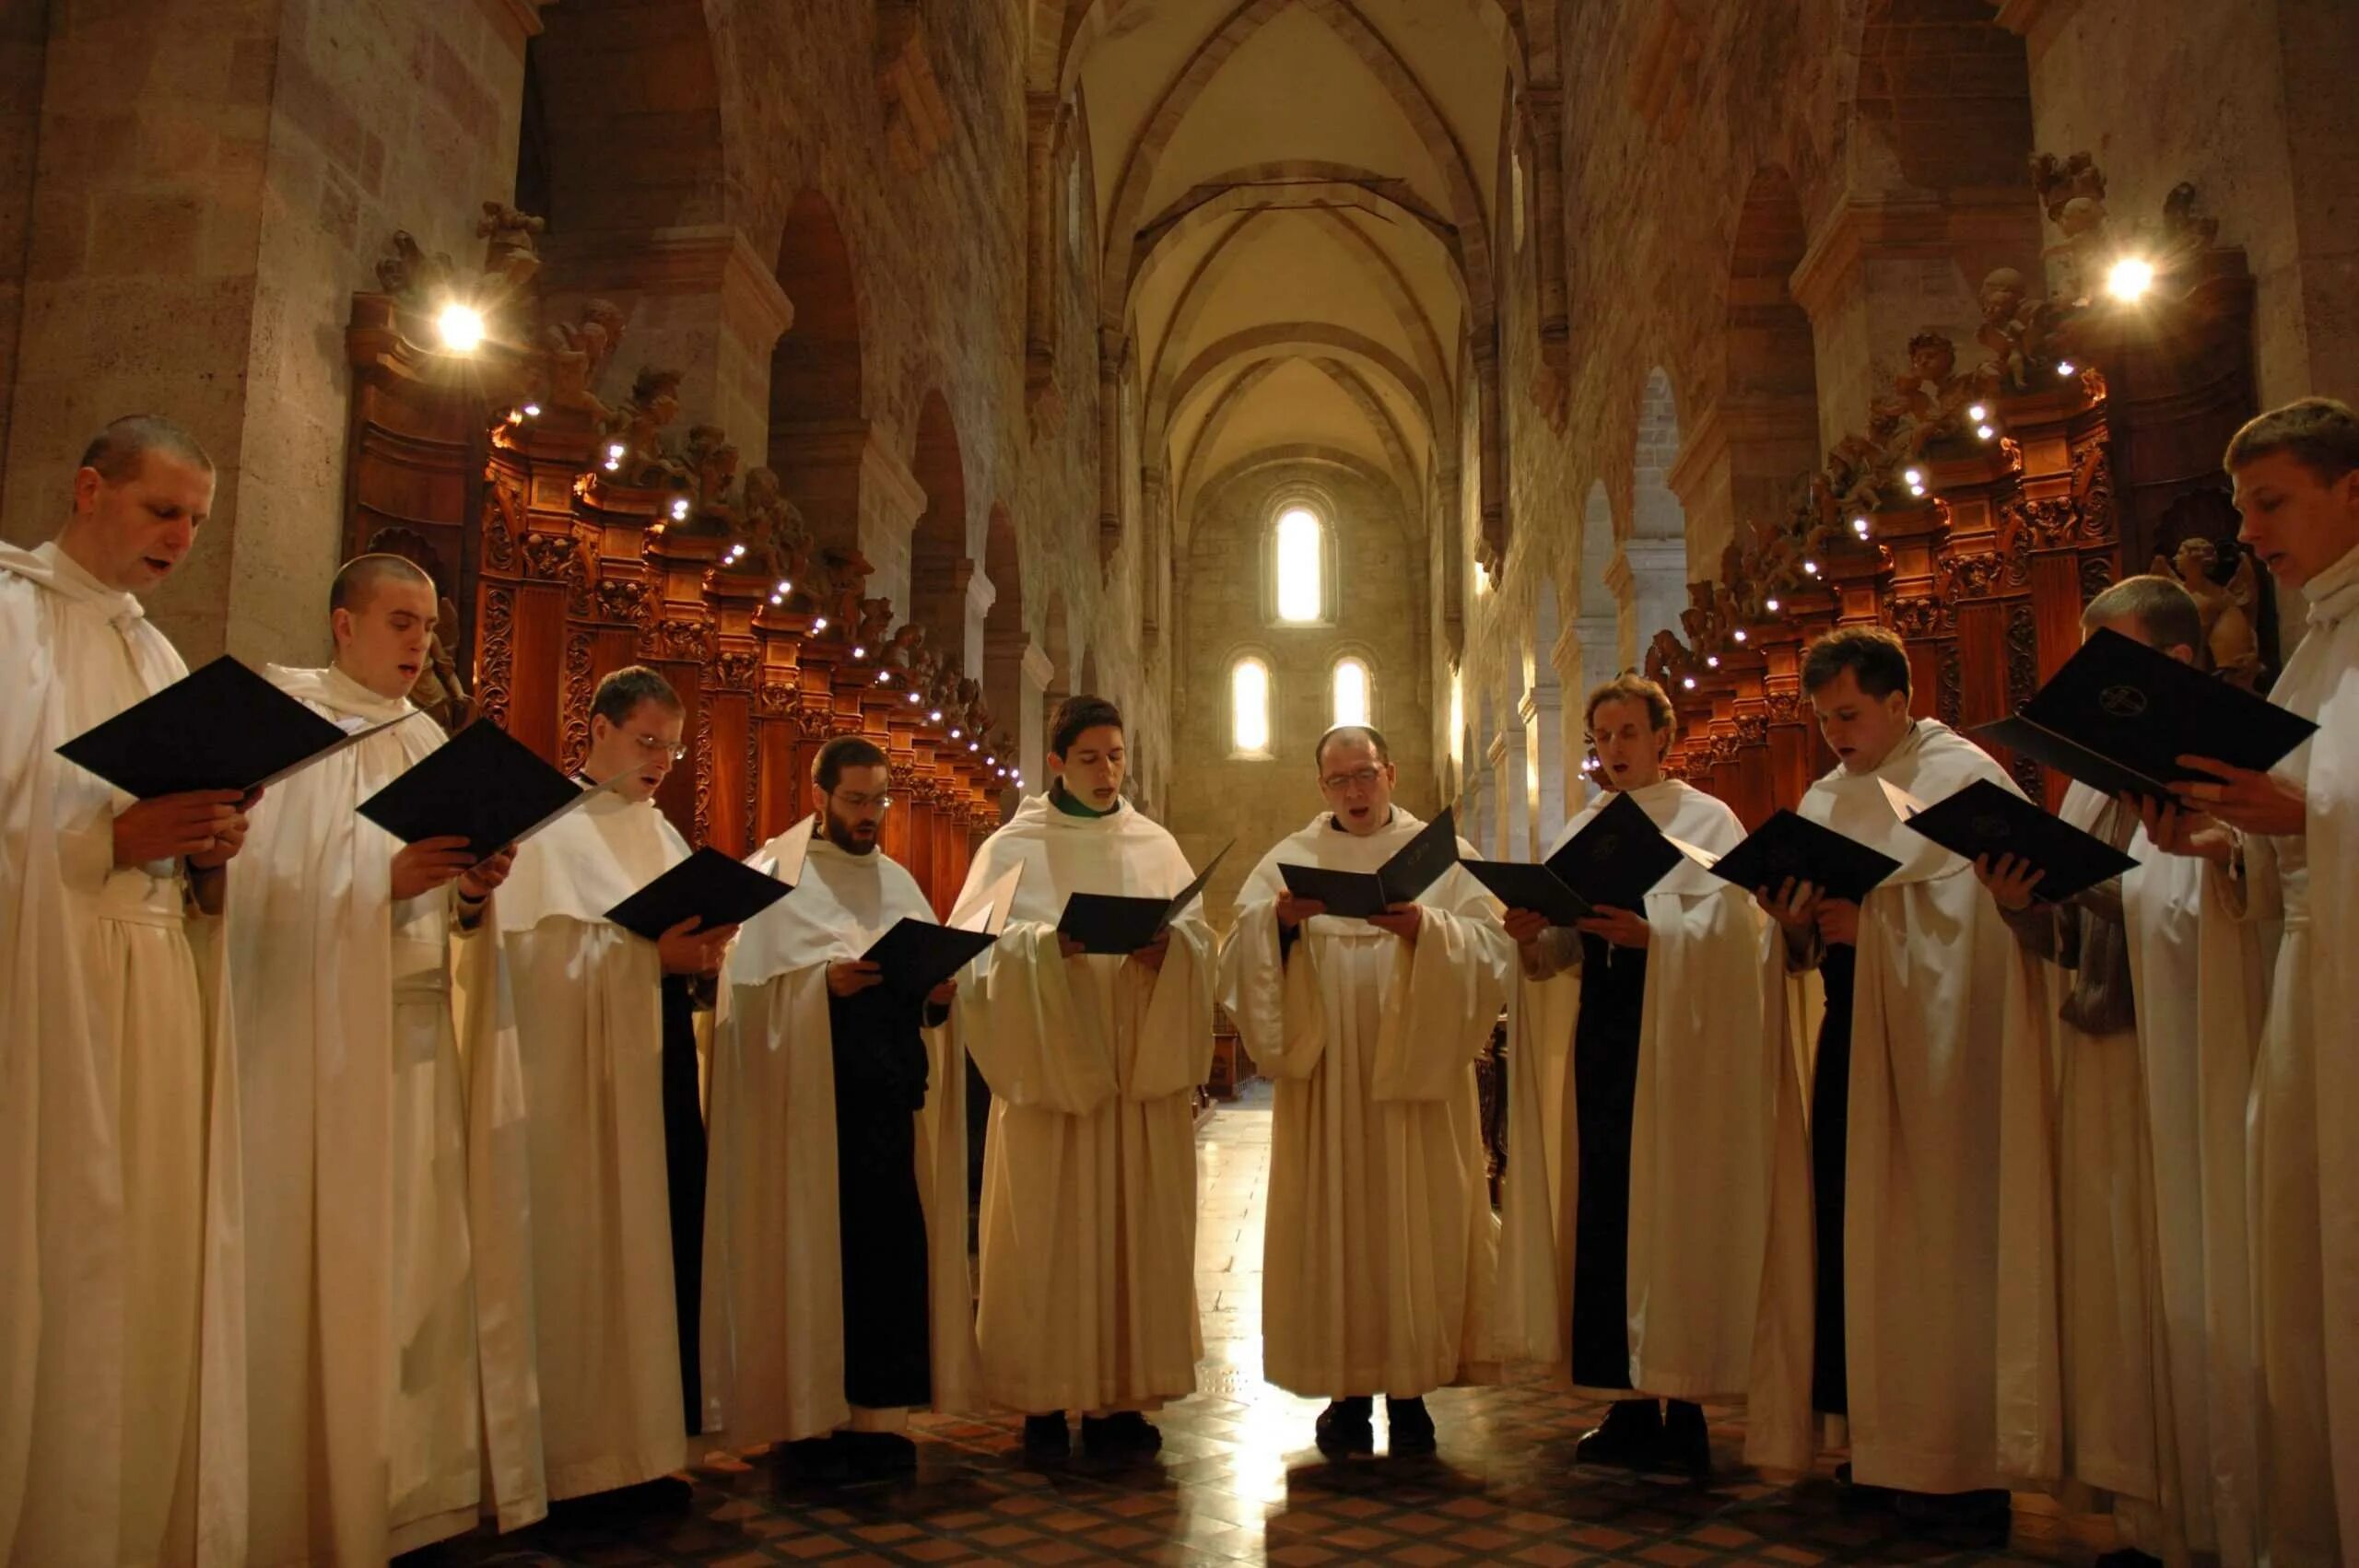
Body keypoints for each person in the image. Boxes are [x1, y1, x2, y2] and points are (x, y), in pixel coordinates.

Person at [225, 553, 546, 1562]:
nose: (419, 645)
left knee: (414, 1266)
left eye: (429, 628)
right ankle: (309, 1494)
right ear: (342, 623)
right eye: (400, 623)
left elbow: (449, 915)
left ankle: (413, 1487)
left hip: (410, 1034)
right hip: (305, 1038)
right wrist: (386, 873)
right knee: (322, 1259)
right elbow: (251, 881)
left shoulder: (424, 740)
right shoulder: (282, 722)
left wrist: (472, 887)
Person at [1978, 574, 2269, 1567]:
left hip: (2191, 1052)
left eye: (2117, 661)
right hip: (2105, 1040)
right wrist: (2024, 896)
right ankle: (2146, 1509)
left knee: (2189, 1276)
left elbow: (2227, 907)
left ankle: (2212, 1514)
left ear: (2175, 665)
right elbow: (2091, 926)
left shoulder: (2230, 755)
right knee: (2118, 1285)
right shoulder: (2095, 773)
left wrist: (2109, 897)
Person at [1, 415, 251, 1565]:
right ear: (89, 487)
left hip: (153, 977)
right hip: (46, 979)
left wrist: (202, 845)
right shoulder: (11, 618)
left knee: (145, 1259)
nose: (184, 538)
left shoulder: (155, 651)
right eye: (165, 511)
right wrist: (110, 838)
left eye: (199, 520)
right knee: (57, 1252)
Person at [1745, 626, 2045, 1548]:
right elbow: (1814, 930)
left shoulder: (1958, 775)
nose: (1835, 733)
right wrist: (1792, 917)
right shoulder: (1831, 792)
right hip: (1851, 1024)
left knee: (1935, 1239)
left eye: (1847, 714)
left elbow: (1985, 915)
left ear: (1894, 699)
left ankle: (1958, 1465)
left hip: (1938, 1047)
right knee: (1851, 1231)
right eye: (1823, 717)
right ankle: (1873, 1445)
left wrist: (1871, 922)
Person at [2139, 397, 2359, 1567]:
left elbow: (2322, 801)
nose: (2249, 531)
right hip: (2310, 985)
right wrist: (2227, 844)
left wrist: (2300, 808)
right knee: (2311, 1260)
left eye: (2270, 502)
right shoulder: (2318, 644)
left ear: (2351, 490)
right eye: (2240, 507)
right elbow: (2298, 820)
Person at [1490, 677, 1777, 1480]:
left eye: (1627, 733)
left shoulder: (1707, 820)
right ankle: (1623, 1401)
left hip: (1680, 1045)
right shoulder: (1585, 828)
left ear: (1662, 736)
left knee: (1674, 1209)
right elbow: (1558, 957)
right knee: (1607, 1210)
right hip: (1607, 1037)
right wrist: (1528, 934)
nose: (1613, 749)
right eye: (1602, 734)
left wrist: (1659, 937)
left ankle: (1681, 1405)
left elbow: (1741, 926)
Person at [1220, 724, 1512, 1456]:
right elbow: (1237, 952)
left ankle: (1412, 1393)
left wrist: (1426, 929)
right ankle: (1346, 1395)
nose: (1354, 791)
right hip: (1327, 1076)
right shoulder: (1291, 857)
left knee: (1417, 1219)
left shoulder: (1441, 857)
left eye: (1365, 775)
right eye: (1339, 780)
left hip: (1415, 1072)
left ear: (1392, 772)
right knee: (1335, 1221)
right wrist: (1278, 927)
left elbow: (1492, 944)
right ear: (1322, 786)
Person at [949, 696, 1218, 1460]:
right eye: (1093, 758)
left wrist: (1173, 954)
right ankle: (1043, 1399)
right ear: (1057, 763)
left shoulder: (1154, 842)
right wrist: (1047, 949)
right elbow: (972, 958)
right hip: (1051, 1085)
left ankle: (1121, 1401)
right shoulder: (1011, 848)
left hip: (1136, 1082)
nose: (1109, 772)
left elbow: (1205, 945)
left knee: (1137, 1232)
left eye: (1118, 756)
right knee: (1048, 1233)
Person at [493, 664, 735, 1510]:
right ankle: (584, 1458)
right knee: (590, 1250)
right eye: (646, 742)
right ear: (596, 728)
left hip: (658, 1059)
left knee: (663, 1241)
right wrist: (644, 959)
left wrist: (704, 954)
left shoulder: (663, 836)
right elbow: (530, 960)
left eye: (671, 746)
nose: (661, 760)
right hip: (577, 1092)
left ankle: (648, 1446)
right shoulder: (546, 828)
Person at [702, 736, 977, 1480]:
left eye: (879, 800)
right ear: (819, 795)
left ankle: (880, 1416)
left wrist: (934, 995)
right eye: (855, 800)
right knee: (817, 1252)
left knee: (889, 1260)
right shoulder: (774, 877)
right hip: (809, 1119)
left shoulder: (898, 882)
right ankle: (807, 1414)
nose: (869, 815)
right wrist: (819, 989)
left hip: (889, 1108)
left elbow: (921, 988)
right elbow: (745, 1001)